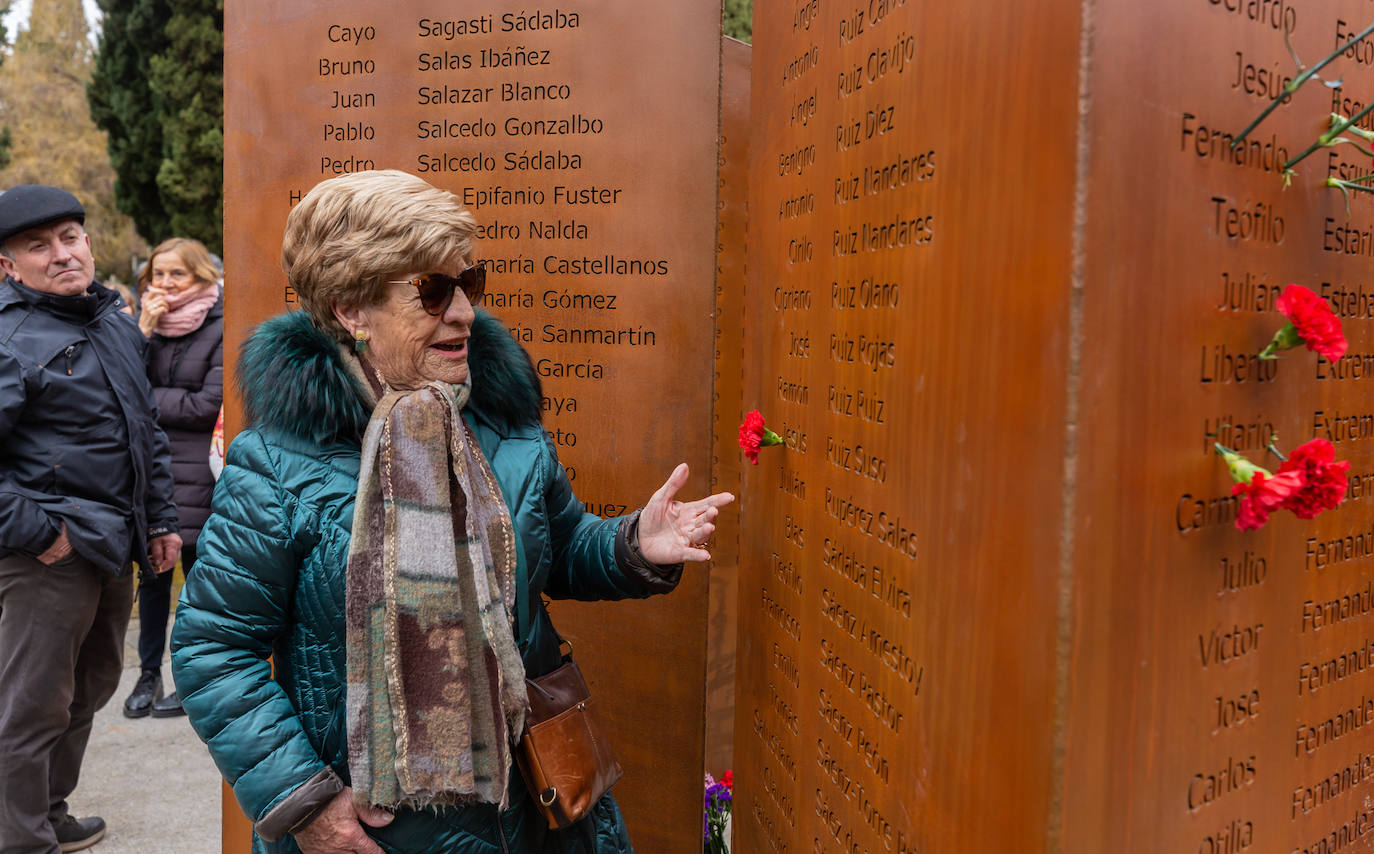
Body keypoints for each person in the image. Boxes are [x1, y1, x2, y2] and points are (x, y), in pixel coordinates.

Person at [170, 170, 733, 854]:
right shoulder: (276, 467)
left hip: (530, 809)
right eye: (431, 291)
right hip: (381, 832)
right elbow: (212, 649)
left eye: (470, 283)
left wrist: (632, 546)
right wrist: (304, 801)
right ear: (352, 309)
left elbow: (560, 546)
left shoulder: (501, 427)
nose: (463, 311)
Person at [0, 185, 181, 854]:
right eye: (38, 246)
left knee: (90, 688)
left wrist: (159, 520)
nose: (62, 254)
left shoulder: (110, 320)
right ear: (8, 265)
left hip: (114, 544)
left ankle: (47, 811)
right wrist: (40, 534)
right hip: (45, 556)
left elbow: (145, 428)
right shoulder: (9, 334)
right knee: (30, 706)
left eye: (70, 236)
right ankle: (20, 841)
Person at [121, 237, 223, 719]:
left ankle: (190, 679)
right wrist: (140, 333)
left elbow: (207, 405)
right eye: (156, 274)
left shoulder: (221, 324)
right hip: (151, 473)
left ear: (202, 278)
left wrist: (145, 400)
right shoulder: (140, 327)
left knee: (199, 583)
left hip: (201, 473)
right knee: (155, 579)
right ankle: (147, 674)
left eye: (176, 274)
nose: (163, 284)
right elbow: (115, 390)